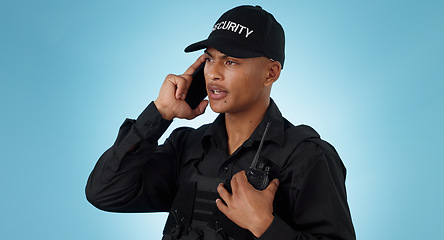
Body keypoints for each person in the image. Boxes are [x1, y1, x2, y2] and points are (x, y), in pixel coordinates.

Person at [86, 5, 356, 240]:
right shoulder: (186, 146)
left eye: (230, 62)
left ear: (271, 73)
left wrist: (265, 226)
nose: (213, 73)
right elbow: (105, 193)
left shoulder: (307, 156)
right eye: (209, 59)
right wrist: (160, 114)